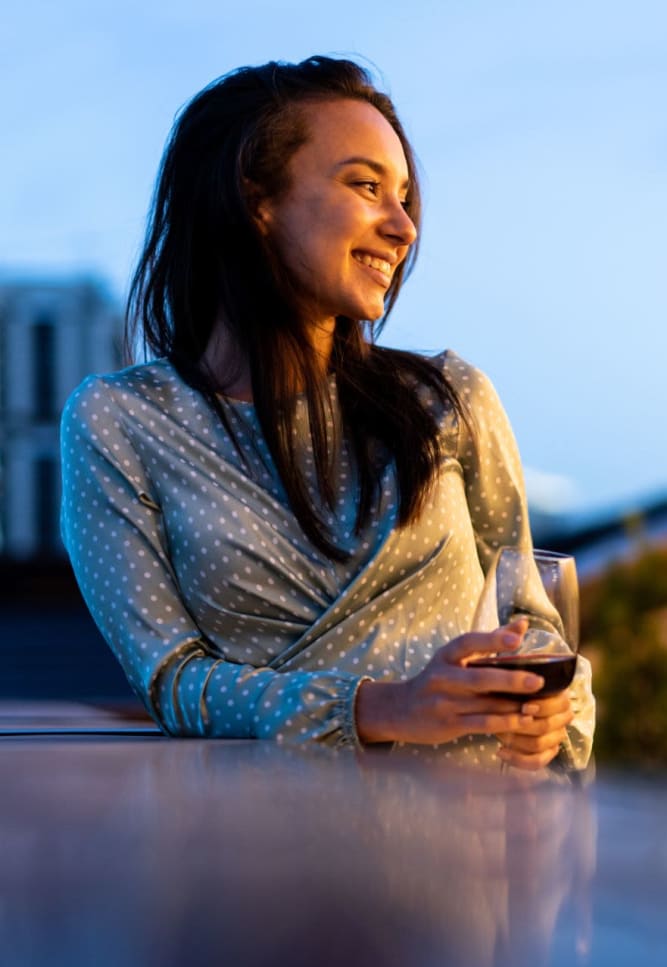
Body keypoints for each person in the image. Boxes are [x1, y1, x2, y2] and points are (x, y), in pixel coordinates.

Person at [60, 55, 594, 771]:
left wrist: (546, 716)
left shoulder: (448, 399)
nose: (403, 228)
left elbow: (534, 629)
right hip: (267, 849)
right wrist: (378, 707)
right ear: (256, 197)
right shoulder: (120, 423)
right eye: (366, 186)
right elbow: (171, 680)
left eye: (404, 197)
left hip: (474, 841)